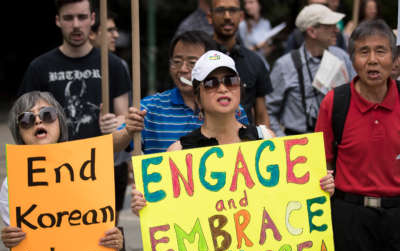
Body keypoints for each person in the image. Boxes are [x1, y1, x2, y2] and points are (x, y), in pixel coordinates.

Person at [131, 50, 335, 251]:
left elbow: (289, 201)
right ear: (197, 94)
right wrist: (145, 205)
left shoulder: (265, 139)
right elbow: (169, 218)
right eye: (211, 83)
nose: (223, 89)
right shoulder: (179, 151)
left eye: (230, 81)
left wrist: (319, 186)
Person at [0, 91, 126, 251]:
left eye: (47, 114)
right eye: (27, 119)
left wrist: (115, 239)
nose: (38, 121)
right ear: (19, 131)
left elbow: (100, 226)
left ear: (60, 122)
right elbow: (20, 239)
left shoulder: (88, 171)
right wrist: (10, 238)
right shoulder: (11, 183)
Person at [315, 19, 400, 251]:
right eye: (364, 52)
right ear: (352, 59)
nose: (373, 60)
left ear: (394, 58)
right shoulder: (335, 103)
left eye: (381, 51)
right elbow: (320, 163)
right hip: (349, 218)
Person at [18, 0, 131, 141]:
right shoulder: (39, 68)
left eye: (82, 17)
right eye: (68, 18)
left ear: (93, 19)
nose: (76, 25)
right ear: (58, 21)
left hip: (101, 158)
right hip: (54, 160)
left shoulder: (113, 65)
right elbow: (24, 123)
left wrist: (115, 123)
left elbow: (125, 119)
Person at [122, 30, 248, 155]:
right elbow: (109, 149)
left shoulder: (231, 108)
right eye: (176, 62)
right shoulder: (149, 108)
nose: (182, 69)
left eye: (192, 63)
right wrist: (127, 131)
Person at [267, 4, 355, 137]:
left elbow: (356, 96)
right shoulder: (285, 65)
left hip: (337, 138)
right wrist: (284, 142)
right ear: (312, 32)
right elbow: (268, 110)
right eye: (329, 26)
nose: (336, 30)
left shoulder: (341, 57)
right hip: (299, 143)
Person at [88, 7, 132, 223]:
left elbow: (126, 115)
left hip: (115, 159)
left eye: (116, 30)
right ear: (91, 33)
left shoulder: (118, 65)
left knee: (111, 222)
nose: (115, 35)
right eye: (109, 30)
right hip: (82, 161)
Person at [207, 0, 273, 128]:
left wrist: (267, 141)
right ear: (210, 17)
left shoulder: (255, 61)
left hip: (245, 143)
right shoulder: (199, 59)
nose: (227, 16)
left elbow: (261, 115)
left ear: (241, 17)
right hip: (206, 144)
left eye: (233, 10)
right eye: (220, 10)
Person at [238, 0, 273, 68]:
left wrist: (268, 48)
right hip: (248, 66)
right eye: (245, 3)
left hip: (263, 65)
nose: (247, 6)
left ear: (259, 5)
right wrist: (257, 47)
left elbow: (267, 51)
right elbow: (240, 51)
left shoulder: (266, 23)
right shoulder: (242, 25)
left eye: (251, 2)